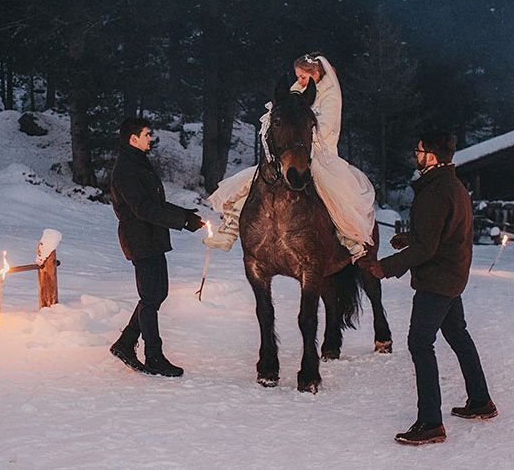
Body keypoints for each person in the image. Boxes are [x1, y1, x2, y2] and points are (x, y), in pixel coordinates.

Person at [367, 131, 497, 445]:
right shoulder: (452, 186)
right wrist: (409, 239)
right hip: (452, 275)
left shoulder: (435, 191)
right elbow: (441, 233)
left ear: (434, 156)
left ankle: (430, 422)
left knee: (419, 344)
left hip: (438, 279)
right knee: (457, 334)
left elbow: (428, 248)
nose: (417, 154)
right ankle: (480, 400)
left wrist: (385, 267)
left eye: (420, 150)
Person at [203, 53, 376, 260]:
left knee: (330, 189)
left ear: (317, 73)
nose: (300, 80)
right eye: (299, 76)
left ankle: (348, 236)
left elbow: (327, 126)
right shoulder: (296, 91)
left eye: (304, 77)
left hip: (320, 151)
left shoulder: (330, 95)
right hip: (291, 151)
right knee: (257, 180)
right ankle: (230, 228)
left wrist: (302, 128)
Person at [109, 116, 205, 377]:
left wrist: (185, 214)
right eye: (146, 134)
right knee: (151, 297)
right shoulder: (126, 170)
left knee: (155, 295)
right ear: (133, 139)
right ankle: (153, 356)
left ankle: (125, 343)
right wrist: (181, 220)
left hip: (150, 237)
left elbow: (155, 203)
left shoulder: (137, 163)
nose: (150, 138)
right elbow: (143, 208)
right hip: (140, 238)